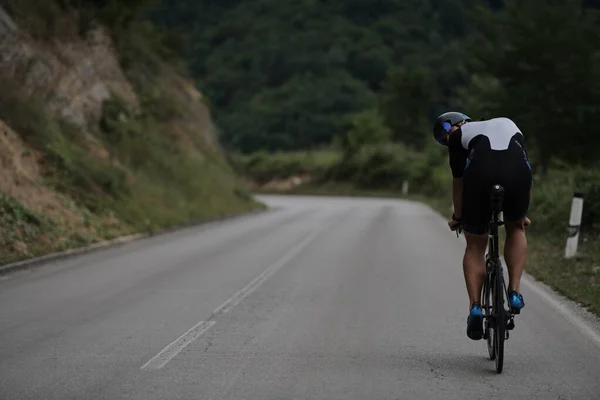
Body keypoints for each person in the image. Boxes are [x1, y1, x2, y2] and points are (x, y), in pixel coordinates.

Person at [432, 112, 533, 341]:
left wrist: (459, 217)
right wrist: (520, 216)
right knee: (516, 229)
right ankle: (515, 292)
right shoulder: (509, 123)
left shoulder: (459, 137)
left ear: (455, 126)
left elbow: (459, 184)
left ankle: (476, 307)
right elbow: (527, 172)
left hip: (479, 176)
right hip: (516, 175)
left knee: (475, 247)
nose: (449, 141)